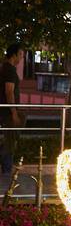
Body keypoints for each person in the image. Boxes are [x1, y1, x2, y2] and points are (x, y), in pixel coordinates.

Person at [0, 43, 24, 176]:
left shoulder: (5, 68)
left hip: (5, 111)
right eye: (20, 54)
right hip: (7, 113)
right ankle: (6, 171)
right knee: (10, 140)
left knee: (11, 138)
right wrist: (14, 113)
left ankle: (7, 168)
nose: (21, 58)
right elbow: (9, 92)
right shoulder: (9, 70)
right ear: (14, 55)